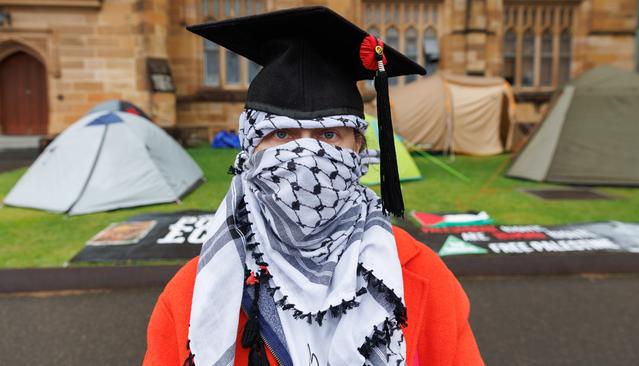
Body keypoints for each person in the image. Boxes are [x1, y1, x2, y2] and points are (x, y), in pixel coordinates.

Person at [144, 6, 483, 366]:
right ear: (249, 152)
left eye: (329, 134)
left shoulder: (423, 277)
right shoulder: (191, 296)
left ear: (359, 151)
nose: (306, 156)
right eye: (282, 134)